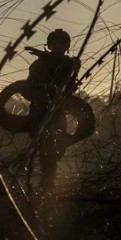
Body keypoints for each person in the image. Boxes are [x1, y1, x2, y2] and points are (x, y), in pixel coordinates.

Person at [23, 29, 81, 192]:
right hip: (40, 113)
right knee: (43, 151)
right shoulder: (38, 65)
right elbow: (28, 90)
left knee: (55, 150)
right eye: (55, 43)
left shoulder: (70, 64)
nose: (58, 47)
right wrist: (40, 96)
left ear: (67, 46)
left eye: (61, 44)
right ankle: (43, 186)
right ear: (49, 45)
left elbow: (68, 83)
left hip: (57, 113)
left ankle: (46, 186)